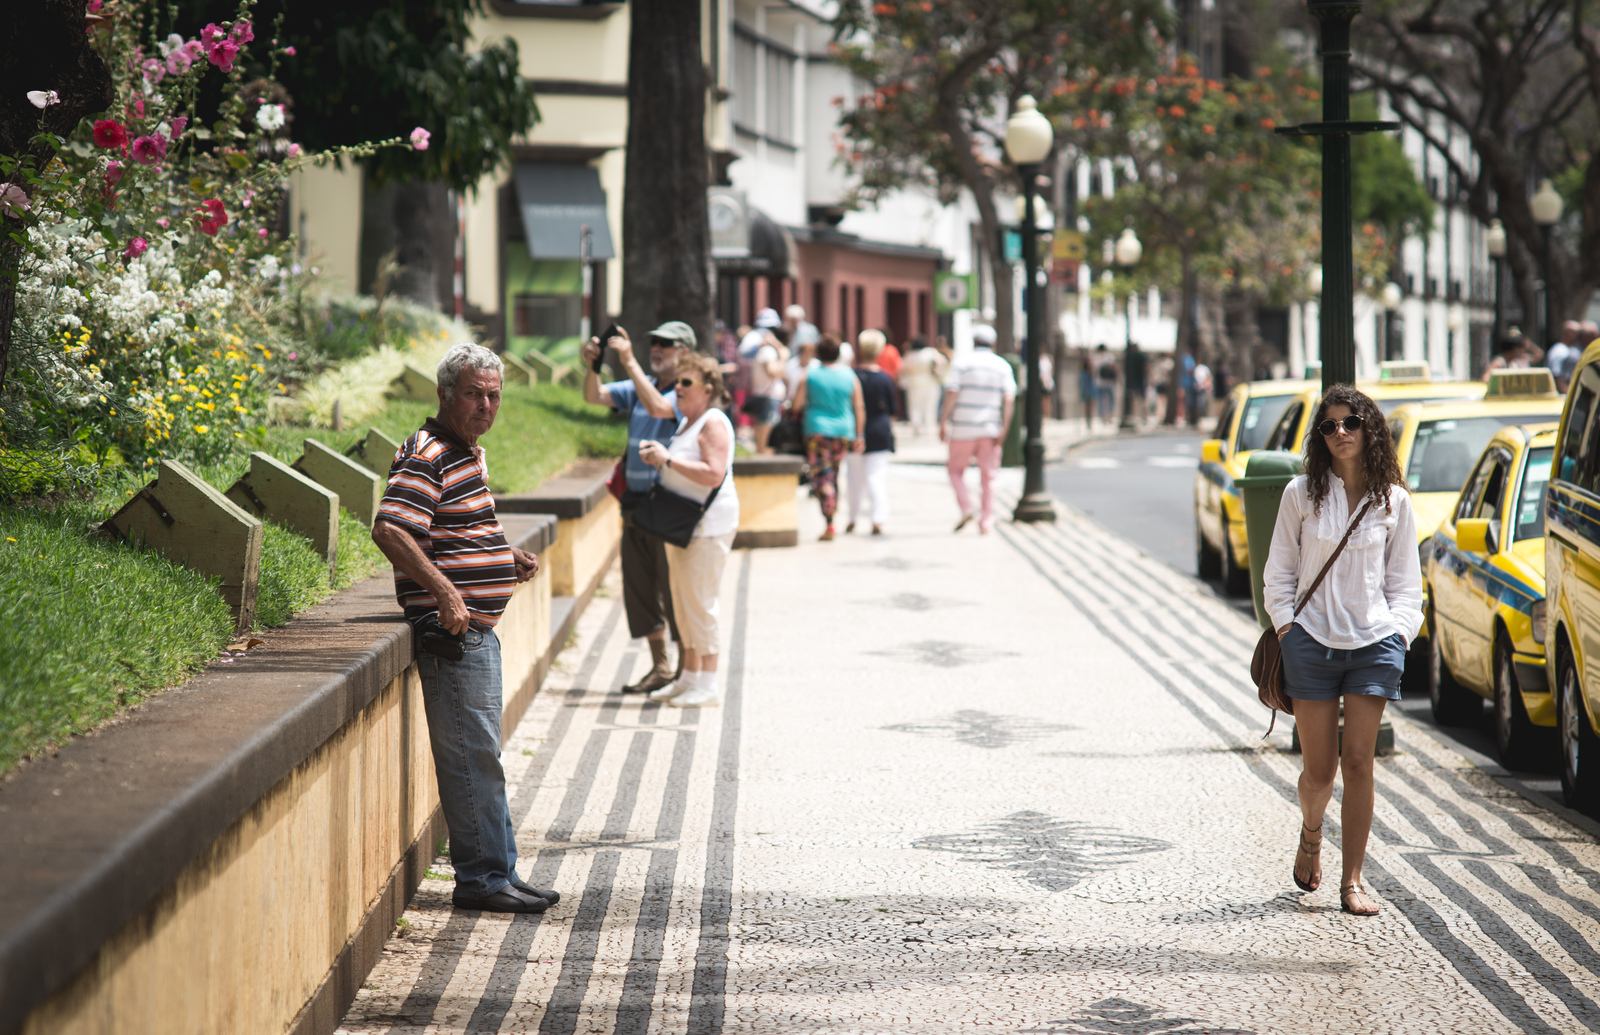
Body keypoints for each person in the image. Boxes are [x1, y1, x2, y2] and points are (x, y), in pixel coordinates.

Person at [371, 343, 560, 915]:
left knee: (486, 755)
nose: (485, 405)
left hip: (477, 630)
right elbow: (391, 529)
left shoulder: (467, 453)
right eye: (474, 394)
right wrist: (446, 592)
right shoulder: (428, 453)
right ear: (445, 394)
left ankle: (501, 870)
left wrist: (506, 558)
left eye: (494, 395)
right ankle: (480, 880)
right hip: (452, 635)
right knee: (473, 757)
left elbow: (463, 528)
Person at [1262, 384, 1423, 918]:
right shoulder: (1300, 494)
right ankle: (1311, 833)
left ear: (1369, 428)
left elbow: (1405, 584)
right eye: (1328, 426)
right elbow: (1278, 574)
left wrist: (1398, 636)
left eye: (1350, 422)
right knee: (1320, 772)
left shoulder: (1393, 500)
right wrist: (1288, 631)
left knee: (1359, 763)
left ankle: (1352, 880)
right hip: (1310, 643)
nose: (1340, 434)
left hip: (1373, 645)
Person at [581, 321, 693, 694]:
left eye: (667, 344)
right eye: (654, 342)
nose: (657, 348)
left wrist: (628, 362)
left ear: (686, 353)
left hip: (669, 506)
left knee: (673, 587)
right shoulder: (639, 386)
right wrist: (594, 366)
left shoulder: (686, 391)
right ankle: (661, 666)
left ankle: (686, 670)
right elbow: (593, 397)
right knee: (640, 587)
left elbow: (661, 409)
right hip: (635, 504)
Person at [635, 352, 740, 708]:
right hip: (681, 526)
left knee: (701, 602)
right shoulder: (686, 421)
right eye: (677, 381)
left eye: (686, 382)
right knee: (681, 602)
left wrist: (666, 459)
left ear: (708, 388)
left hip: (708, 527)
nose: (677, 387)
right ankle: (689, 676)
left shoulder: (713, 422)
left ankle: (708, 681)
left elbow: (712, 474)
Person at [941, 324, 1016, 534]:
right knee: (988, 478)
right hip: (990, 429)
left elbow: (952, 393)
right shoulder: (1002, 366)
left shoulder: (962, 363)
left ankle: (966, 507)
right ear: (992, 343)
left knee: (955, 472)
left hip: (963, 428)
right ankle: (986, 521)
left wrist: (943, 421)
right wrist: (1004, 428)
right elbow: (1009, 400)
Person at [791, 333, 864, 541]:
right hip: (843, 431)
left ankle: (829, 519)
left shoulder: (809, 375)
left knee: (822, 476)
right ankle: (831, 517)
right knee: (834, 472)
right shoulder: (849, 376)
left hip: (817, 431)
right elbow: (858, 406)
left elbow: (796, 404)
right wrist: (859, 434)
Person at [845, 330, 897, 535]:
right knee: (876, 476)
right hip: (879, 429)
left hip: (854, 430)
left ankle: (852, 517)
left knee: (853, 478)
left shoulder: (851, 376)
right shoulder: (885, 379)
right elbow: (892, 410)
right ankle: (878, 518)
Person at [740, 323, 787, 454]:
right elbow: (772, 372)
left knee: (762, 429)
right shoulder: (768, 352)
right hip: (769, 396)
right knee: (764, 432)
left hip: (765, 395)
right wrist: (783, 358)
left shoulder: (764, 350)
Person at [900, 338, 948, 437]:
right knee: (930, 405)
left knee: (914, 405)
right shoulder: (930, 352)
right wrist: (938, 373)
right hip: (930, 381)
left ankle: (916, 426)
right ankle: (929, 427)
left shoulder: (910, 355)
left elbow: (903, 368)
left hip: (914, 382)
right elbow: (942, 362)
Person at [1545, 320, 1583, 392]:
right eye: (1576, 333)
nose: (1578, 336)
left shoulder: (1574, 349)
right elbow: (1556, 376)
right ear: (1567, 333)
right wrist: (1567, 393)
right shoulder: (1559, 350)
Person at [1124, 342, 1148, 426]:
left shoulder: (1132, 357)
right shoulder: (1139, 356)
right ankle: (1142, 417)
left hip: (1135, 381)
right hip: (1139, 380)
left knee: (1136, 400)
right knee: (1141, 400)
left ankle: (1139, 416)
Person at [1093, 344, 1118, 424]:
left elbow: (1095, 370)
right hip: (1109, 382)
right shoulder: (1109, 356)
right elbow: (1114, 367)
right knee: (1111, 400)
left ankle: (1103, 417)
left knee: (1101, 400)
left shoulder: (1096, 357)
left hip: (1100, 382)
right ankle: (1110, 416)